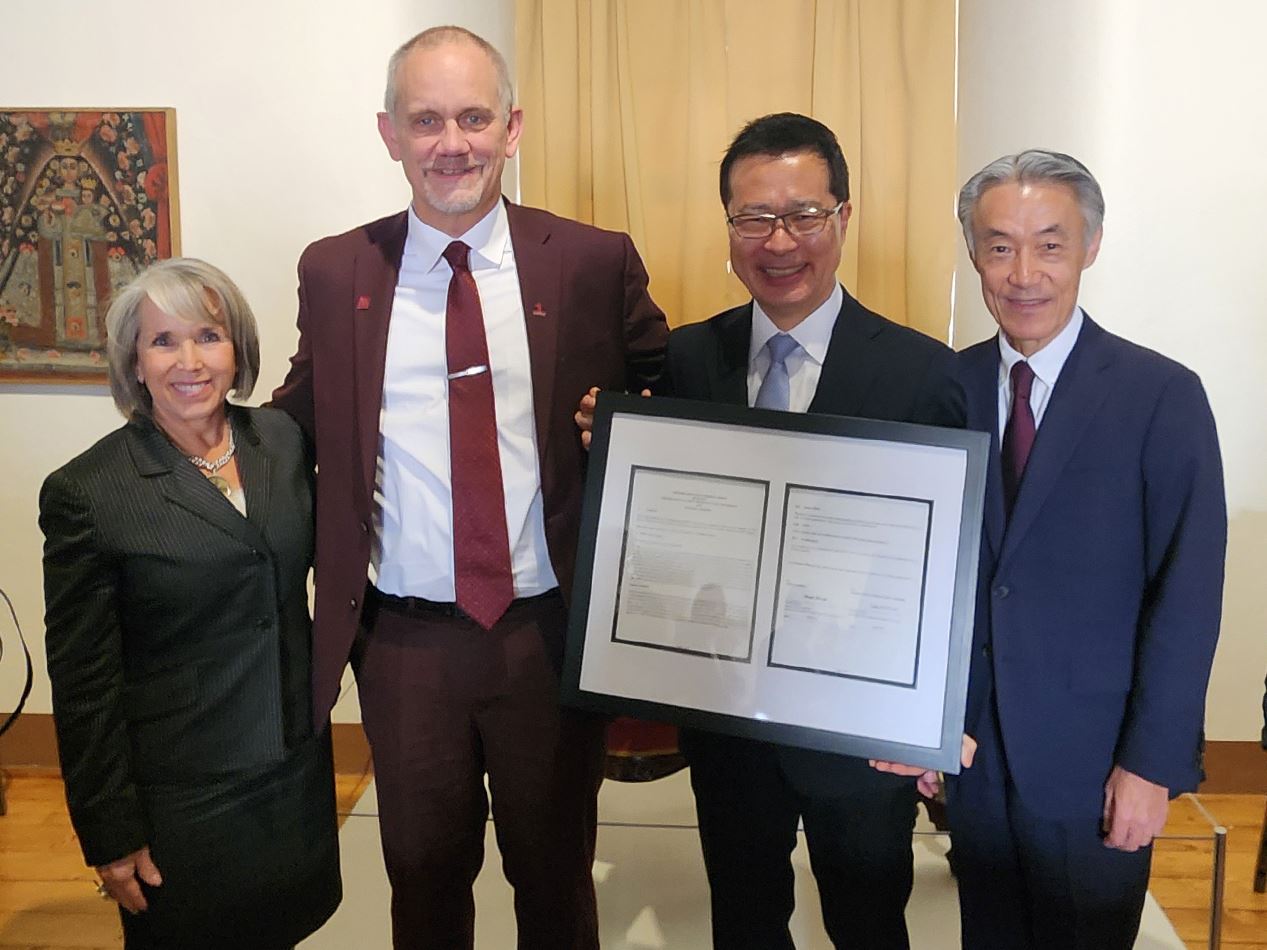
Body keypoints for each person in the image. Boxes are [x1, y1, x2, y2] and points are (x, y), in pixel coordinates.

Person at [268, 25, 668, 950]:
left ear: (512, 126)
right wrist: (191, 441)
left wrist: (626, 416)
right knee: (423, 878)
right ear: (389, 133)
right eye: (427, 120)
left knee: (554, 875)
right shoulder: (336, 270)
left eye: (474, 117)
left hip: (546, 633)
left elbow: (663, 387)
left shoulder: (591, 261)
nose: (453, 142)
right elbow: (300, 410)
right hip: (405, 642)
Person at [583, 112, 963, 949]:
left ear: (844, 217)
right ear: (727, 227)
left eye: (803, 215)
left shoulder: (921, 372)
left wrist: (934, 716)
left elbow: (944, 568)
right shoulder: (684, 364)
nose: (778, 240)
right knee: (745, 920)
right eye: (753, 218)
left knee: (869, 921)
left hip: (859, 731)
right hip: (729, 724)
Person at [879, 149, 1227, 948]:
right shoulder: (945, 388)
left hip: (1096, 761)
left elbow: (1187, 595)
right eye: (998, 246)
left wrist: (1151, 766)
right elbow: (922, 574)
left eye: (1049, 243)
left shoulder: (1160, 396)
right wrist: (922, 722)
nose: (1023, 272)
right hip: (973, 754)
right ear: (973, 253)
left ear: (1090, 247)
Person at [39, 258, 341, 949]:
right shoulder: (89, 492)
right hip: (186, 804)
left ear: (237, 350)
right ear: (133, 363)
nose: (189, 361)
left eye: (208, 335)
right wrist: (109, 834)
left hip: (294, 778)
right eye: (162, 341)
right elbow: (85, 684)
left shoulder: (283, 442)